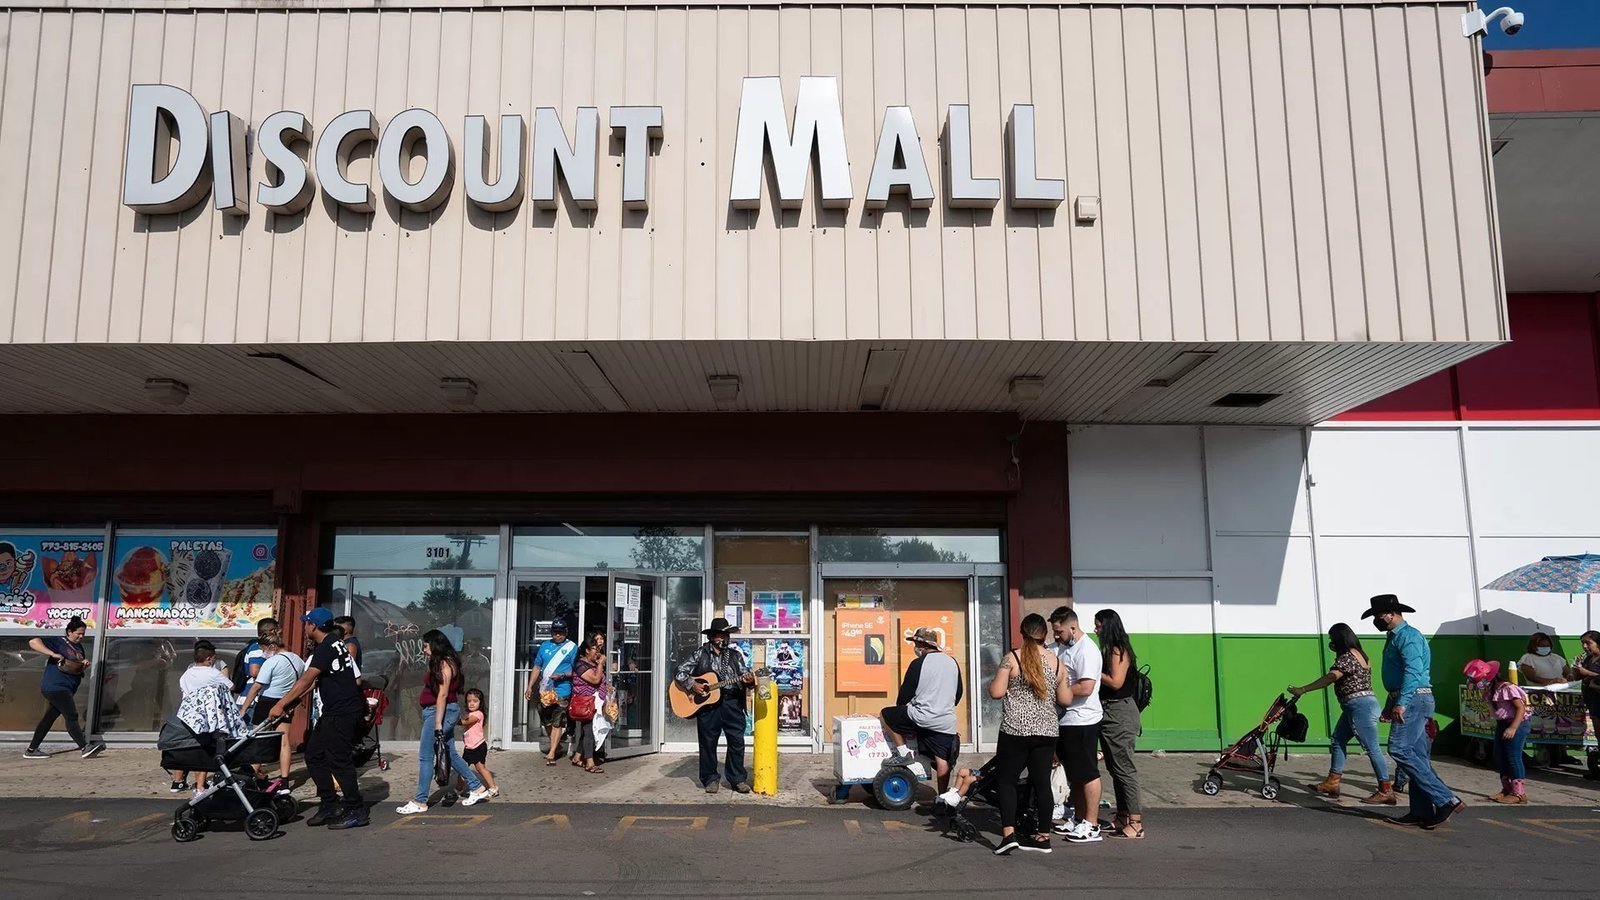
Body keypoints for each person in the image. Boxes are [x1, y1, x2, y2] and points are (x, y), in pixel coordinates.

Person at [1365, 594, 1463, 830]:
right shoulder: (1395, 637)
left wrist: (1403, 702)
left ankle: (1445, 799)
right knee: (1417, 758)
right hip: (1409, 698)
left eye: (1379, 615)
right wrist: (1393, 704)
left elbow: (1413, 671)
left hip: (1414, 698)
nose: (1377, 619)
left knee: (1399, 749)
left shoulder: (1408, 637)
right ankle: (1420, 811)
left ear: (1393, 613)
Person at [270, 607, 368, 829]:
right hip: (333, 711)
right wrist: (293, 702)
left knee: (339, 759)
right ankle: (329, 803)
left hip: (342, 712)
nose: (305, 626)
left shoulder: (326, 648)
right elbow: (316, 681)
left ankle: (355, 808)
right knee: (314, 755)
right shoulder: (334, 643)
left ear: (313, 626)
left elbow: (307, 679)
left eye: (306, 623)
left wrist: (280, 704)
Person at [988, 614, 1071, 855]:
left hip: (1015, 731)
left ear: (1022, 633)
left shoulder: (1012, 658)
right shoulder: (1056, 663)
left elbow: (996, 692)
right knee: (1042, 782)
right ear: (1044, 635)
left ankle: (1009, 834)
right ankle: (1043, 837)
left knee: (1006, 781)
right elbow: (1065, 699)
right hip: (1046, 731)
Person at [1290, 622, 1394, 805]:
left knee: (1371, 747)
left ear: (1339, 639)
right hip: (1358, 705)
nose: (1331, 642)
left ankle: (1385, 790)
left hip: (1359, 706)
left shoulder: (1347, 657)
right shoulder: (1360, 654)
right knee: (1338, 740)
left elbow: (1331, 677)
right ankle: (1333, 782)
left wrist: (1304, 689)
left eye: (1332, 639)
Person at [396, 630, 490, 814]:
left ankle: (420, 800)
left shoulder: (445, 663)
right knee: (450, 753)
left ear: (435, 644)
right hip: (439, 712)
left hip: (439, 713)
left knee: (425, 756)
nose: (423, 650)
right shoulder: (443, 662)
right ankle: (476, 786)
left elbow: (443, 694)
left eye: (425, 646)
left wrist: (438, 723)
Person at [674, 617, 755, 794]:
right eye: (720, 635)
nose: (724, 638)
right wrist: (692, 684)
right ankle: (710, 778)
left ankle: (737, 779)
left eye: (726, 635)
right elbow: (680, 671)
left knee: (737, 741)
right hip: (708, 706)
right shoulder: (700, 654)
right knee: (708, 743)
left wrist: (749, 681)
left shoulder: (735, 656)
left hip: (731, 703)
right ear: (712, 637)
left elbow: (744, 676)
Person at [880, 626, 963, 793]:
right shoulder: (952, 662)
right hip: (945, 721)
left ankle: (903, 753)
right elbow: (958, 692)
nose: (915, 648)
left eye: (915, 644)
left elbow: (905, 695)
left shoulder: (918, 663)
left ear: (920, 645)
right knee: (942, 760)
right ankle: (942, 797)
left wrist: (903, 709)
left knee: (886, 714)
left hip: (921, 717)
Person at [1047, 606, 1104, 845]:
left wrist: (1060, 694)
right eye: (1054, 632)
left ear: (1072, 627)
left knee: (1088, 773)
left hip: (1083, 719)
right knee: (1075, 774)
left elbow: (1086, 687)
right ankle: (1079, 818)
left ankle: (1092, 824)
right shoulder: (1063, 648)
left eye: (1059, 631)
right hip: (1067, 719)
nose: (1056, 636)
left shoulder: (1087, 650)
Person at [1094, 609, 1146, 837]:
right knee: (1115, 768)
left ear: (1108, 626)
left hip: (1119, 713)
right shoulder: (1109, 650)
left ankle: (1136, 821)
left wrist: (1094, 672)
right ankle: (1123, 815)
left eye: (1098, 625)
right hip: (1109, 712)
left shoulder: (1118, 650)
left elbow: (1116, 682)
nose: (1096, 629)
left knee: (1124, 768)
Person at [23, 616, 104, 760]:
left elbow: (74, 666)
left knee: (48, 719)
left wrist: (83, 663)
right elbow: (33, 642)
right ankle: (84, 747)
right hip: (56, 687)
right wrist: (52, 654)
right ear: (69, 632)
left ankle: (31, 749)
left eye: (83, 633)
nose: (81, 636)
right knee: (71, 715)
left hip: (67, 688)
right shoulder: (59, 642)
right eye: (78, 633)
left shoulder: (78, 648)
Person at [239, 633, 304, 786]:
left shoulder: (272, 662)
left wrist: (243, 709)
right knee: (284, 741)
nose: (263, 653)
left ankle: (251, 777)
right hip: (287, 701)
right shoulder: (298, 660)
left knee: (258, 741)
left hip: (267, 702)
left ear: (272, 647)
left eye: (263, 649)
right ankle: (285, 779)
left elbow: (256, 687)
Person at [1464, 659, 1532, 804]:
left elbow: (1520, 708)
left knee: (1513, 756)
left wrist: (1513, 727)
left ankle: (1519, 793)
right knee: (1499, 755)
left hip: (1516, 723)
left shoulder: (1506, 688)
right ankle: (1507, 789)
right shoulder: (1490, 689)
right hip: (1502, 723)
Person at [176, 642, 239, 795]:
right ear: (209, 659)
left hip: (190, 717)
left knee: (196, 749)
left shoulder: (187, 674)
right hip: (209, 717)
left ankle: (183, 782)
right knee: (208, 749)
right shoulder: (212, 673)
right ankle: (200, 786)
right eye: (213, 659)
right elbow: (231, 687)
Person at [523, 621, 577, 766]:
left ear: (566, 632)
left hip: (562, 690)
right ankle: (556, 744)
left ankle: (552, 752)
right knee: (546, 720)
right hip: (545, 690)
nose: (557, 635)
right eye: (555, 632)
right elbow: (537, 667)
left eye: (560, 632)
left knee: (557, 722)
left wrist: (562, 675)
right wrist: (529, 686)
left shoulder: (571, 647)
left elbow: (576, 670)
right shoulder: (545, 646)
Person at [570, 641, 608, 773]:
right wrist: (601, 664)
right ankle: (589, 762)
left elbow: (600, 680)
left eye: (598, 649)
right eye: (594, 648)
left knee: (588, 729)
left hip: (595, 701)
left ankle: (577, 756)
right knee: (589, 731)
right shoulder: (581, 665)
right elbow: (595, 679)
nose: (597, 651)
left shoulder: (593, 664)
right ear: (586, 650)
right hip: (586, 702)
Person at [457, 688, 498, 797]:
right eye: (469, 701)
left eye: (475, 701)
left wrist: (454, 720)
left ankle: (493, 788)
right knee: (462, 768)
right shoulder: (469, 713)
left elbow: (468, 722)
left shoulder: (478, 714)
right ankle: (459, 788)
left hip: (478, 746)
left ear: (480, 702)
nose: (471, 703)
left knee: (480, 768)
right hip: (469, 747)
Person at [232, 617, 279, 700]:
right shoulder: (257, 648)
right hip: (252, 700)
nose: (279, 634)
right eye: (278, 631)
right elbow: (254, 672)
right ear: (273, 631)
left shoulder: (265, 648)